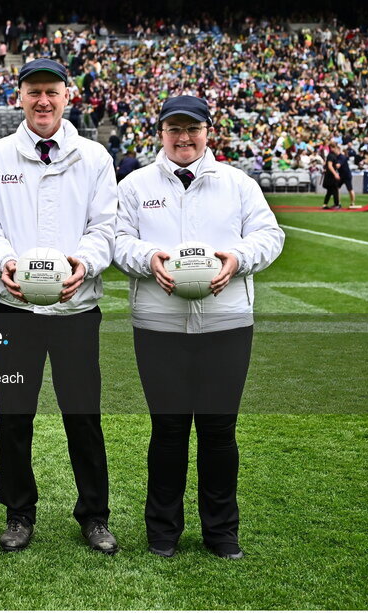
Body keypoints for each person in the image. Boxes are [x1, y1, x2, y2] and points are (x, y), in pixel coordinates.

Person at [113, 95, 284, 560]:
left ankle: (221, 532)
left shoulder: (238, 183)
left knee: (218, 430)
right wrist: (149, 259)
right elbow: (117, 241)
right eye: (174, 129)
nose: (184, 138)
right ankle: (162, 532)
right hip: (158, 323)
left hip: (227, 323)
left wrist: (239, 258)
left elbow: (270, 236)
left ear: (210, 131)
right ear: (161, 132)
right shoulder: (135, 185)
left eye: (193, 129)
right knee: (167, 429)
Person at [0, 59, 118, 554]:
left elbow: (105, 227)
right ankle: (18, 513)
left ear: (67, 95)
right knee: (14, 415)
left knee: (83, 415)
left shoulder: (93, 156)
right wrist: (6, 262)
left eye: (51, 91)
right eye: (34, 92)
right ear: (20, 97)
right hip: (12, 307)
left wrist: (84, 265)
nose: (43, 101)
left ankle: (94, 515)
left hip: (76, 308)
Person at [322, 144, 342, 209]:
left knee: (330, 191)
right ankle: (336, 204)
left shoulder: (332, 155)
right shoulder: (331, 156)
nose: (336, 149)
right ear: (331, 148)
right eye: (335, 147)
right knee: (335, 189)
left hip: (329, 175)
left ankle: (325, 204)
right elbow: (330, 166)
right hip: (331, 176)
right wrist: (335, 174)